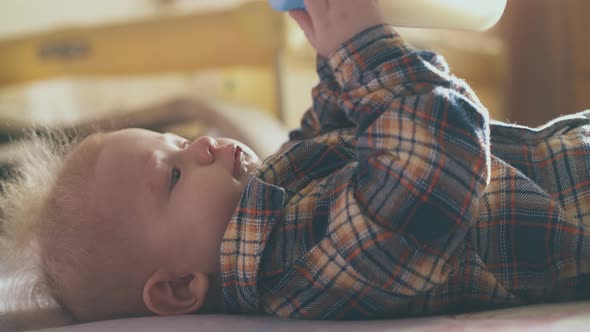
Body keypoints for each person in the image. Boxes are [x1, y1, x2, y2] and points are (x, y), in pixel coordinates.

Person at [2, 0, 590, 326]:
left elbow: (336, 134)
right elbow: (433, 172)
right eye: (174, 174)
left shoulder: (275, 195)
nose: (201, 145)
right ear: (180, 288)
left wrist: (331, 50)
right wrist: (363, 49)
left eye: (177, 140)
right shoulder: (298, 273)